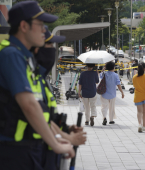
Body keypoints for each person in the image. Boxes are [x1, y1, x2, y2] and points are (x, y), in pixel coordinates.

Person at [0, 1, 75, 169]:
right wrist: (55, 144)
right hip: (12, 151)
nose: (44, 30)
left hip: (24, 148)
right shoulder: (11, 55)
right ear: (24, 26)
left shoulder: (24, 57)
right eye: (40, 24)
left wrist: (56, 137)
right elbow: (29, 105)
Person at [31, 26, 87, 170]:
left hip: (46, 154)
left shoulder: (40, 79)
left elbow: (46, 117)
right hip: (33, 153)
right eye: (50, 45)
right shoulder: (29, 79)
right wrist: (66, 138)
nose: (53, 50)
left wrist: (66, 128)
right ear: (37, 48)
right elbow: (34, 116)